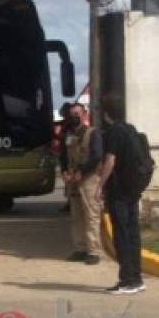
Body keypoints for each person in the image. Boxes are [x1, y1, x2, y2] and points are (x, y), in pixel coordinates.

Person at [96, 95, 145, 295]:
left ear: (106, 112)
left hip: (119, 191)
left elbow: (110, 160)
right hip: (133, 188)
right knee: (133, 234)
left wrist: (100, 185)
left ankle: (126, 281)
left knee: (122, 235)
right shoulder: (130, 129)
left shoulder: (113, 132)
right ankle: (137, 278)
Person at [61, 103, 103, 265]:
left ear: (84, 114)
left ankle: (93, 251)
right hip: (73, 179)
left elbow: (96, 156)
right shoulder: (69, 135)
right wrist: (65, 171)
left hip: (89, 179)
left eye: (77, 113)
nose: (74, 117)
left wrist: (82, 172)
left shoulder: (93, 133)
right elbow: (64, 156)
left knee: (91, 214)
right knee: (76, 216)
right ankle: (80, 248)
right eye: (72, 114)